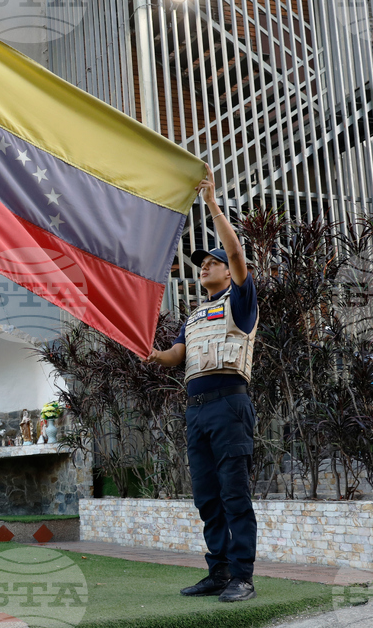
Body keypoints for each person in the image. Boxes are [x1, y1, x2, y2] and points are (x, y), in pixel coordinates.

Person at [145, 170, 259, 603]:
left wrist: (211, 205)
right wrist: (154, 354)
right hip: (196, 409)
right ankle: (218, 571)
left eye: (211, 262)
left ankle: (242, 577)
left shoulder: (241, 300)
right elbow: (178, 357)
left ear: (227, 273)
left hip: (230, 404)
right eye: (201, 265)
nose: (205, 267)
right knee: (207, 496)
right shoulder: (193, 316)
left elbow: (235, 251)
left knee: (234, 493)